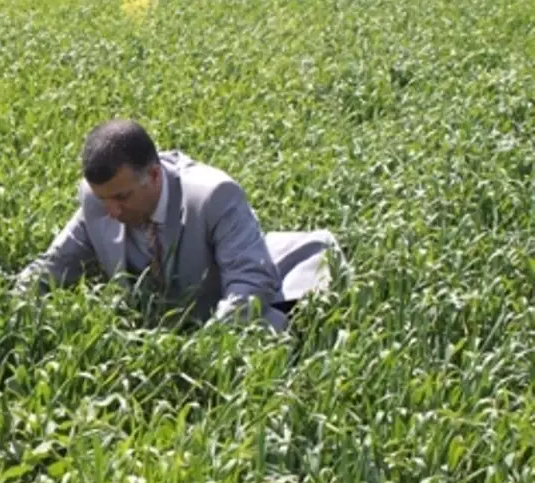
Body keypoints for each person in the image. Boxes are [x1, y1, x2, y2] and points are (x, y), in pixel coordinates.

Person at [17, 119, 343, 331]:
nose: (112, 210)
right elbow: (53, 266)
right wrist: (8, 309)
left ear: (155, 176)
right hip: (177, 313)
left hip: (249, 287)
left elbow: (250, 282)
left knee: (275, 331)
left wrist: (198, 352)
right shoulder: (99, 200)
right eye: (104, 200)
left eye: (121, 197)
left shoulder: (213, 195)